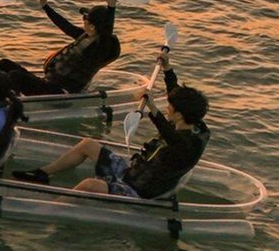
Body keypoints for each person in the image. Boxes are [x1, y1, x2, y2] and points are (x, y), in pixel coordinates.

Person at [11, 52, 210, 199]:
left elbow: (169, 135)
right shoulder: (192, 122)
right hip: (131, 173)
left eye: (169, 107)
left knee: (89, 185)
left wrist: (152, 107)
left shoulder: (186, 145)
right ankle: (43, 173)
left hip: (139, 190)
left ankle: (56, 207)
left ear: (180, 114)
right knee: (88, 144)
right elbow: (175, 95)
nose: (167, 109)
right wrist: (167, 69)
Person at [0, 0, 120, 95]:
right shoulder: (85, 36)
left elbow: (106, 32)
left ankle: (4, 105)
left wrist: (111, 6)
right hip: (47, 84)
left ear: (92, 26)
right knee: (4, 64)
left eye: (85, 19)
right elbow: (64, 25)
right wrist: (45, 6)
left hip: (59, 93)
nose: (83, 21)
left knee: (15, 76)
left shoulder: (100, 49)